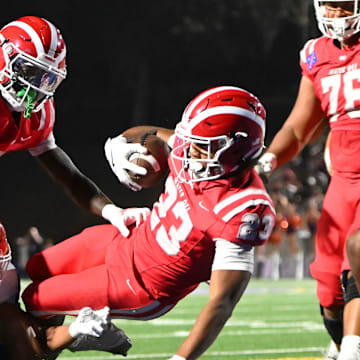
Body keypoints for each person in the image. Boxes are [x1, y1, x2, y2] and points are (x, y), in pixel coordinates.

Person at [22, 86, 276, 360]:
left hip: (141, 284)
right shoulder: (194, 146)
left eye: (202, 147)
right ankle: (70, 336)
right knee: (36, 266)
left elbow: (222, 302)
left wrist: (180, 359)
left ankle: (74, 337)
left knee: (35, 298)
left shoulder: (243, 208)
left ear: (234, 152)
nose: (187, 151)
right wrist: (121, 144)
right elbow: (151, 133)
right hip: (128, 236)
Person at [255, 1, 360, 359]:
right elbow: (299, 128)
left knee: (358, 259)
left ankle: (352, 348)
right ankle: (341, 341)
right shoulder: (316, 55)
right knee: (329, 286)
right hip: (344, 182)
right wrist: (268, 159)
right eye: (328, 6)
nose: (334, 14)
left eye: (343, 5)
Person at [0, 15, 149, 238]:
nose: (34, 87)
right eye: (28, 71)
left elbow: (69, 177)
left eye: (46, 78)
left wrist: (112, 211)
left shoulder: (38, 114)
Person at [0, 221, 131, 360]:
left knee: (15, 321)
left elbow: (33, 335)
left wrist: (76, 330)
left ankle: (79, 336)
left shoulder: (6, 281)